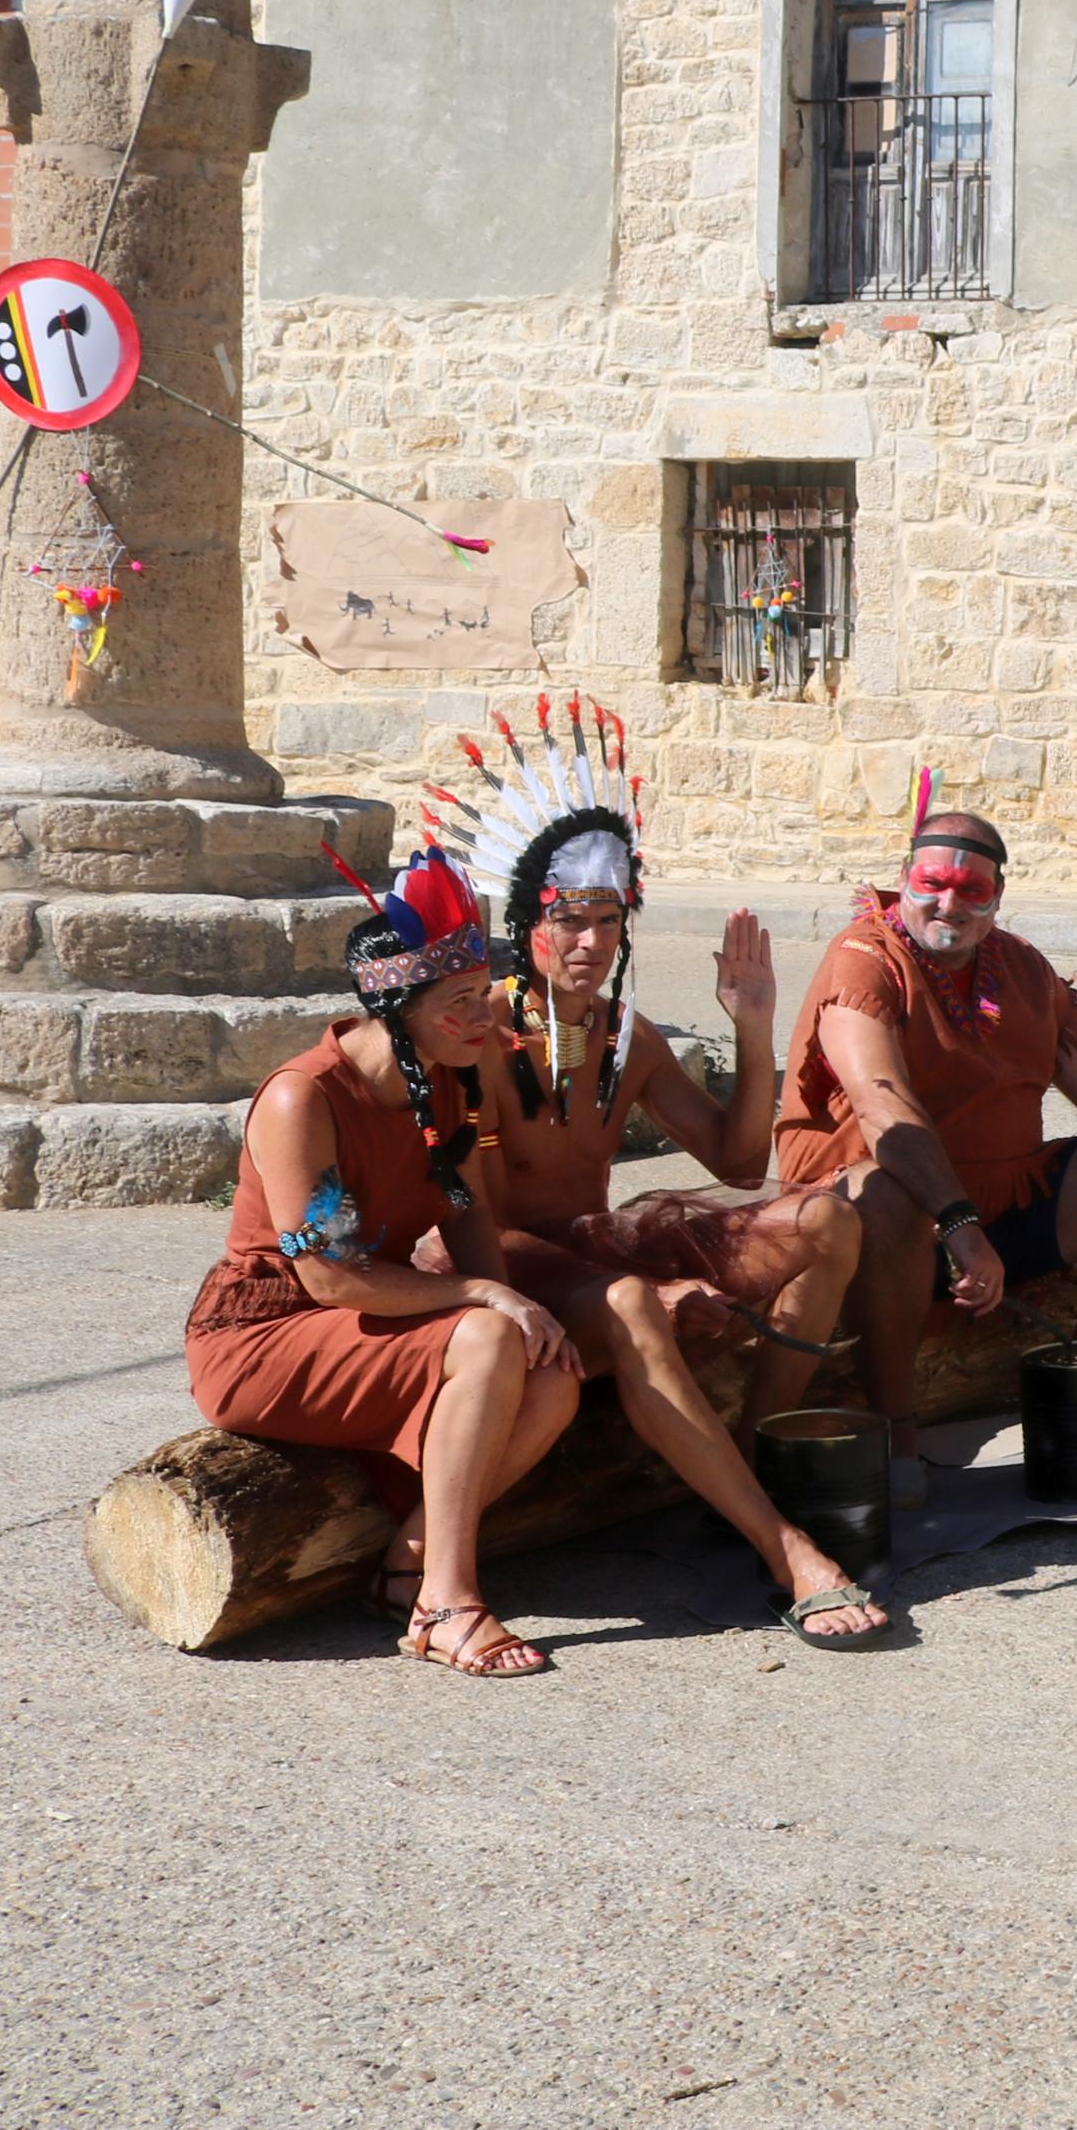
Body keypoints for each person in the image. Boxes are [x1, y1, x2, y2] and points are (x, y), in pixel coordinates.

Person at [413, 703, 883, 1646]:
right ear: (526, 922)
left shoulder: (628, 1035)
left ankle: (747, 1451)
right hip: (500, 1269)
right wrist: (646, 1284)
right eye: (567, 921)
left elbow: (741, 1158)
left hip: (596, 1253)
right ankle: (786, 1549)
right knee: (633, 1299)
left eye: (607, 919)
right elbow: (477, 1221)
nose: (588, 942)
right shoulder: (482, 1034)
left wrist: (753, 1024)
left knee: (829, 1222)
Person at [183, 848, 581, 1679]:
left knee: (551, 1371)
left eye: (487, 996)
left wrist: (513, 1300)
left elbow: (469, 1214)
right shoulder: (304, 1098)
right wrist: (482, 1298)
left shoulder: (450, 1084)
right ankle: (448, 1602)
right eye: (461, 1001)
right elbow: (324, 1276)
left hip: (363, 1318)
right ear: (400, 1006)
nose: (487, 1020)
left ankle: (411, 1556)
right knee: (485, 1335)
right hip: (266, 1332)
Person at [777, 798, 1077, 1505]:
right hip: (879, 1213)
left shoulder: (1022, 968)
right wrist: (958, 1224)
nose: (949, 902)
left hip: (1000, 1198)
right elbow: (882, 1101)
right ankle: (895, 1431)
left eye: (971, 890)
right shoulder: (862, 959)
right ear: (904, 880)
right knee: (887, 1193)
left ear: (998, 898)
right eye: (933, 883)